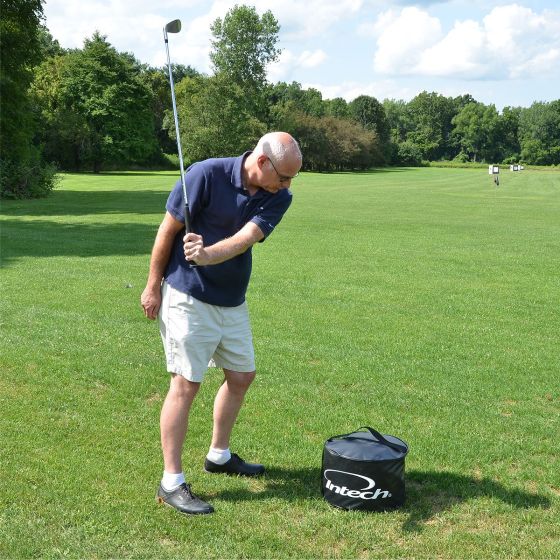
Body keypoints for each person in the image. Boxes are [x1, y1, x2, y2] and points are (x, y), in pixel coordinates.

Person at [140, 132, 302, 515]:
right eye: (284, 177)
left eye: (292, 179)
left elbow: (246, 238)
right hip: (187, 295)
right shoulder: (205, 174)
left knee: (242, 376)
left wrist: (207, 254)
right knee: (186, 383)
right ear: (262, 162)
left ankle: (218, 454)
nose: (287, 186)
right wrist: (151, 286)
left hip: (231, 300)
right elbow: (167, 230)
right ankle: (171, 481)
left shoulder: (278, 196)